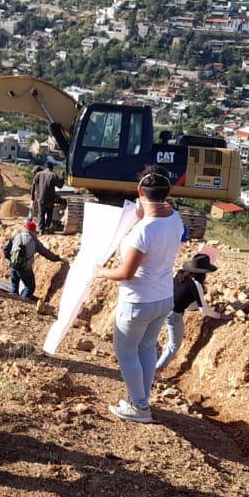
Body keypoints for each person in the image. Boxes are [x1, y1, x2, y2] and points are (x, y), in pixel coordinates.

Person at [94, 167, 184, 424]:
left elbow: (126, 273)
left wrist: (101, 272)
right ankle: (141, 400)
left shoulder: (143, 231)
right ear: (168, 193)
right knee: (146, 348)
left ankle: (139, 407)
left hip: (138, 302)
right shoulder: (175, 218)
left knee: (126, 352)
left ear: (139, 193)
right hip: (164, 298)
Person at [156, 254, 221, 370]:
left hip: (161, 306)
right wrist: (219, 315)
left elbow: (183, 294)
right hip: (173, 315)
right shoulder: (196, 285)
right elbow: (204, 310)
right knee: (174, 345)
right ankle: (156, 370)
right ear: (203, 272)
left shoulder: (179, 275)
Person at [3, 221, 64, 300]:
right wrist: (57, 258)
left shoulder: (16, 235)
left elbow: (5, 249)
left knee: (14, 285)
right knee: (30, 286)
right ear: (33, 230)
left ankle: (15, 300)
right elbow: (45, 253)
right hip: (25, 268)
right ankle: (23, 301)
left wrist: (10, 259)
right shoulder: (34, 240)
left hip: (13, 265)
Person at [32, 162, 63, 233]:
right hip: (50, 199)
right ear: (52, 168)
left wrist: (32, 196)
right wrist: (62, 178)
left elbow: (33, 185)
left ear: (45, 167)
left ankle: (41, 230)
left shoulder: (38, 174)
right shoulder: (53, 175)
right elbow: (60, 186)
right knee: (49, 214)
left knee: (41, 214)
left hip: (40, 198)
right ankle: (47, 227)